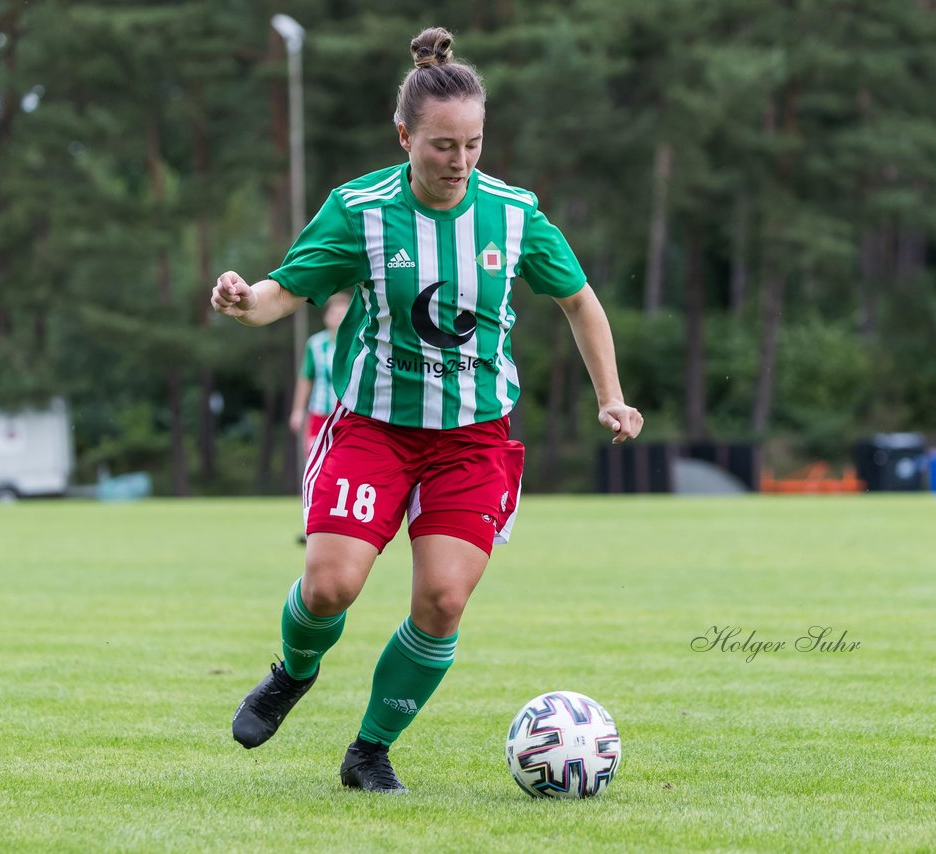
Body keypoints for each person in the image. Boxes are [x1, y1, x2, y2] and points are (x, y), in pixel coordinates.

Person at [210, 26, 642, 794]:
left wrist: (611, 398)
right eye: (444, 145)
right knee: (328, 588)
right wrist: (245, 304)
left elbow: (580, 301)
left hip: (474, 439)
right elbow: (284, 292)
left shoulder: (513, 216)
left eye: (474, 144)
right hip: (374, 428)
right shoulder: (361, 210)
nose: (460, 162)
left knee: (442, 600)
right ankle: (293, 672)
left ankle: (369, 751)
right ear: (405, 134)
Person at [290, 294, 350, 544]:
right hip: (319, 414)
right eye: (333, 312)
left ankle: (342, 525)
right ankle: (311, 524)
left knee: (345, 468)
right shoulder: (315, 345)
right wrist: (297, 410)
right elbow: (306, 378)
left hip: (347, 414)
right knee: (316, 468)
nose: (337, 317)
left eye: (342, 313)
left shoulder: (357, 340)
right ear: (326, 316)